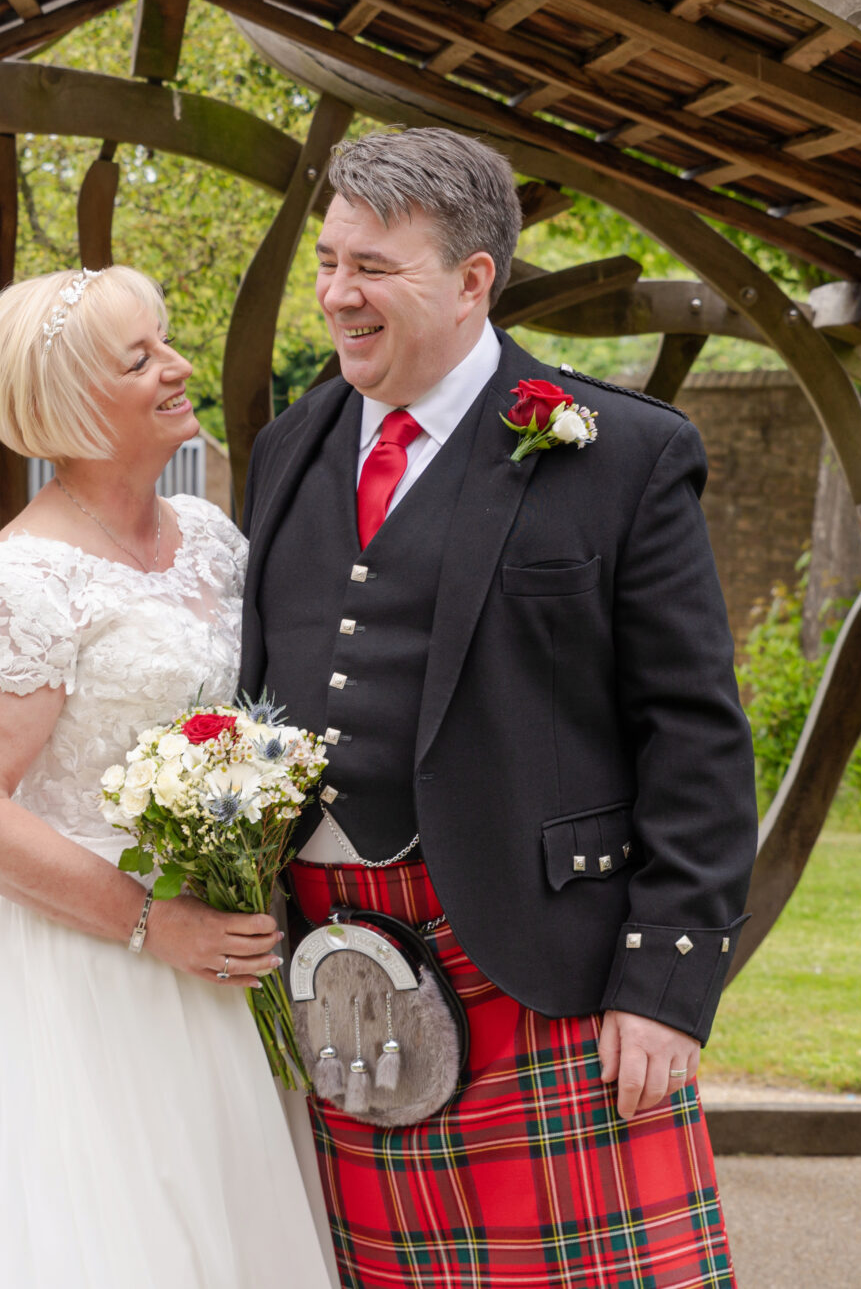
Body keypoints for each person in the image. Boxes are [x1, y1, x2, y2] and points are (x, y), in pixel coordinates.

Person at [238, 127, 755, 1289]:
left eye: (372, 266)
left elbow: (694, 730)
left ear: (474, 279)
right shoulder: (289, 445)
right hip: (340, 965)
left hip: (538, 952)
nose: (335, 293)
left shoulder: (621, 450)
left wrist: (664, 984)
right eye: (328, 260)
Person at [0, 265, 334, 1289]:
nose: (178, 366)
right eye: (141, 358)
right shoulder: (19, 586)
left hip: (219, 953)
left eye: (165, 339)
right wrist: (151, 920)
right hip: (88, 969)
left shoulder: (213, 544)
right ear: (75, 404)